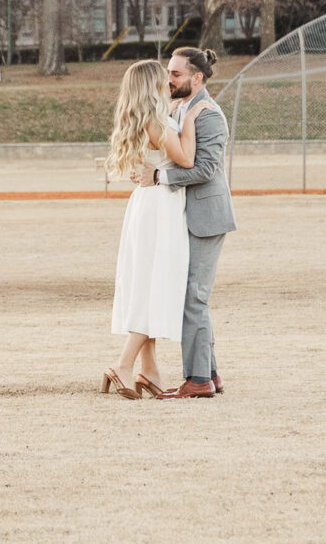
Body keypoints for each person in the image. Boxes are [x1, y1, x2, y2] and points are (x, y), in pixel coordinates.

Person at [138, 45, 233, 398]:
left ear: (197, 78)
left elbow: (206, 169)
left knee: (193, 297)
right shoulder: (181, 107)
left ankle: (198, 380)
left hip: (205, 217)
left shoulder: (208, 114)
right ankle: (209, 374)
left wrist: (161, 178)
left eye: (175, 74)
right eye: (167, 72)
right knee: (191, 296)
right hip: (186, 216)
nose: (168, 79)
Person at [100, 59, 194, 399]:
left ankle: (149, 370)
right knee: (157, 285)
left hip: (146, 203)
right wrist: (192, 120)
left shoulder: (144, 120)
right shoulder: (157, 124)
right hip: (159, 207)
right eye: (162, 80)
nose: (168, 83)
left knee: (146, 284)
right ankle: (123, 365)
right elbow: (186, 159)